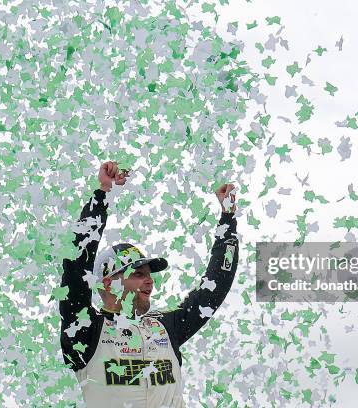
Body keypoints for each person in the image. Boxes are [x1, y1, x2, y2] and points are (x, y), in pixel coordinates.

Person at [60, 160, 239, 407]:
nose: (149, 281)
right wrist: (102, 194)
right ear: (108, 283)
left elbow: (216, 286)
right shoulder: (85, 330)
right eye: (137, 274)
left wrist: (227, 219)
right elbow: (75, 268)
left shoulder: (166, 326)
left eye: (149, 273)